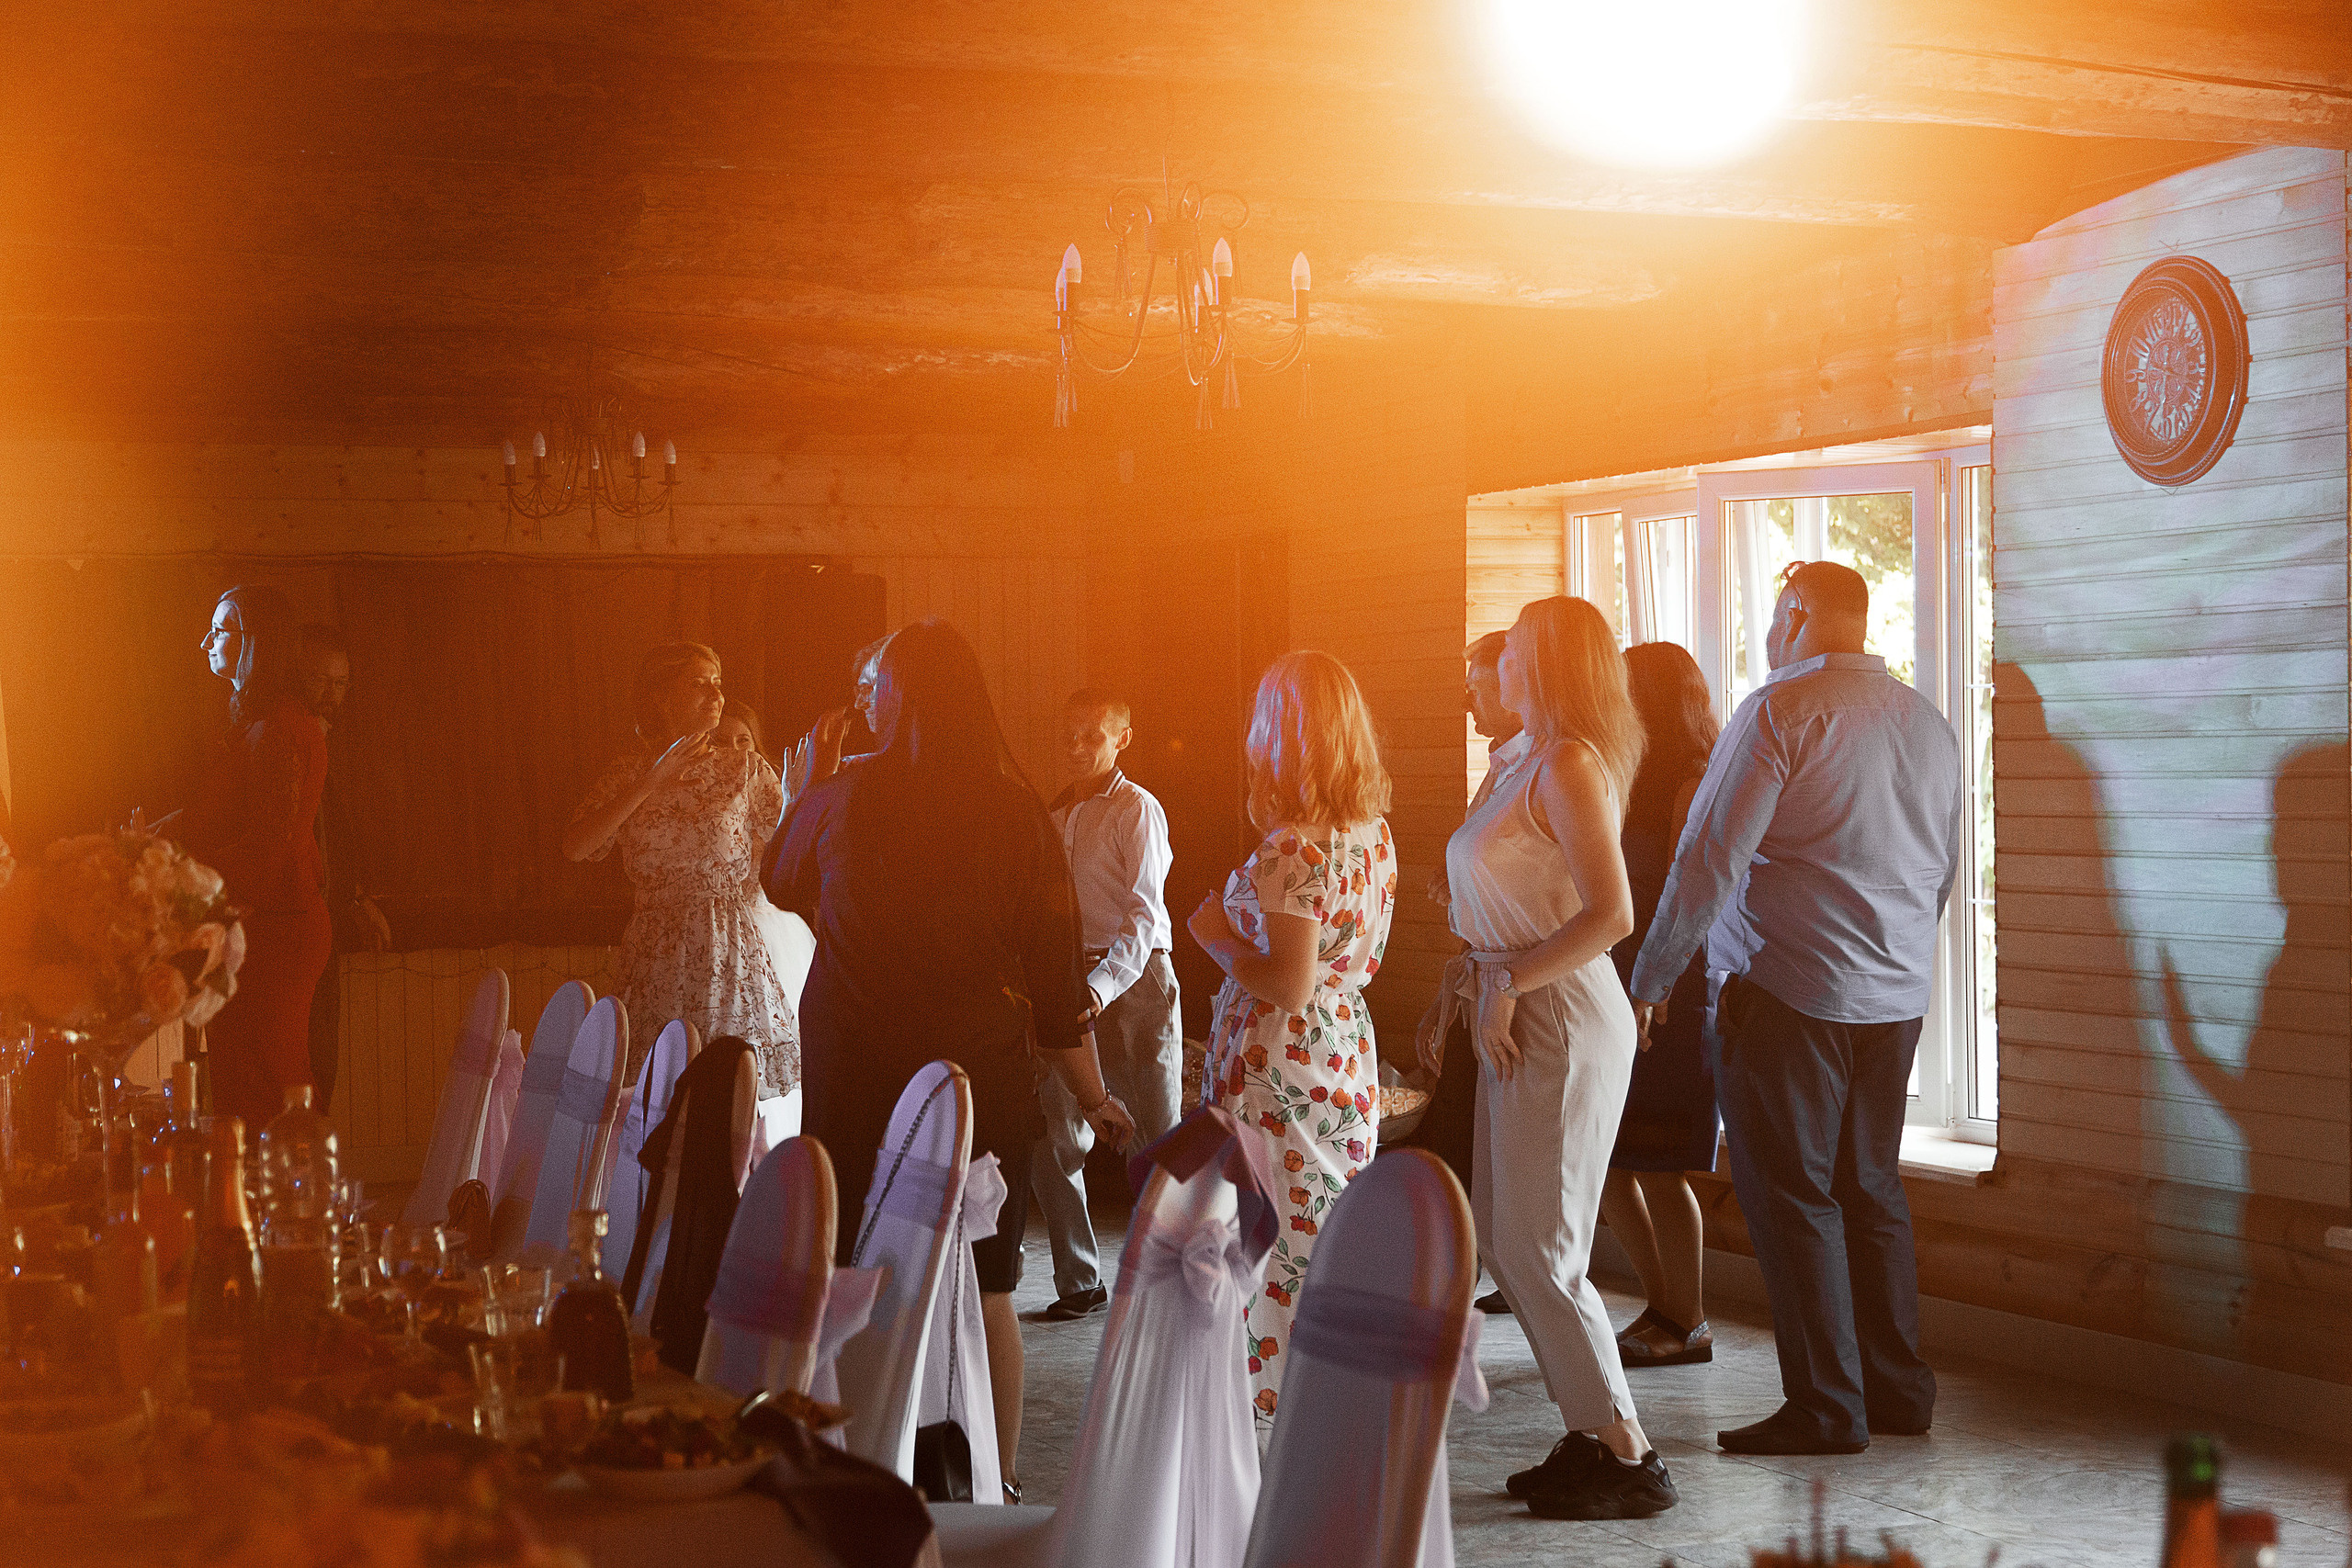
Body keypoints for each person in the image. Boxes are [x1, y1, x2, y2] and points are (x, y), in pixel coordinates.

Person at [764, 618, 1136, 1501]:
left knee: (854, 1272)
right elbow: (1055, 987)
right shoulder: (1018, 816)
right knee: (989, 1286)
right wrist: (1091, 1090)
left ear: (900, 698)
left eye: (877, 686)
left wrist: (812, 807)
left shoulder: (840, 796)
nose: (869, 701)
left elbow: (781, 879)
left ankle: (858, 1477)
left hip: (858, 1066)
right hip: (973, 1081)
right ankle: (992, 1483)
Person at [1628, 560, 1961, 1457]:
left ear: (1798, 613)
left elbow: (1707, 858)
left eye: (1777, 616)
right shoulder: (1928, 722)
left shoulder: (1777, 711)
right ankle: (1897, 1391)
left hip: (1786, 994)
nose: (1771, 635)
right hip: (1894, 995)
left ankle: (1824, 1407)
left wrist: (1652, 978)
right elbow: (1944, 866)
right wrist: (1902, 962)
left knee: (1791, 1199)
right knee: (1872, 1191)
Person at [1435, 596, 1675, 1519]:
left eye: (1516, 655)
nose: (1496, 671)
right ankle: (1588, 1434)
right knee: (1505, 1236)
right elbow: (1495, 901)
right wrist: (1465, 983)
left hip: (1564, 1016)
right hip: (1513, 1004)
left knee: (1544, 1246)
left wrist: (1505, 984)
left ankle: (1628, 1452)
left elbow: (1610, 915)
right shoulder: (1517, 764)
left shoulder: (1571, 763)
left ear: (1549, 667)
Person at [1189, 650, 1396, 1432]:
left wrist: (1213, 935)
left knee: (1270, 1244)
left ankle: (1262, 1424)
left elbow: (1289, 982)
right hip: (1343, 1049)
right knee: (1321, 1231)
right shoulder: (1372, 833)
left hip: (1284, 1056)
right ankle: (1333, 1407)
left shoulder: (1293, 846)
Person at [563, 643, 799, 1097]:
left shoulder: (743, 768)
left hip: (725, 946)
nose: (715, 695)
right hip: (656, 947)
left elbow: (793, 844)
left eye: (718, 684)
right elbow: (576, 847)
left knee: (723, 1090)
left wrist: (814, 783)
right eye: (698, 683)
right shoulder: (627, 772)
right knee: (654, 1094)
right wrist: (651, 780)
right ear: (660, 696)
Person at [1028, 688, 1181, 1323]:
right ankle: (1080, 1279)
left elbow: (1145, 915)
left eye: (1092, 733)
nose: (1076, 745)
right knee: (1054, 1133)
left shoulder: (1138, 809)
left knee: (1155, 1132)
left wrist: (1101, 985)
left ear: (1123, 737)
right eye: (1068, 732)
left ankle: (1169, 1276)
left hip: (1136, 977)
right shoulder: (1053, 815)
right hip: (1069, 978)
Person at [1600, 642, 1721, 1368]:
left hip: (1671, 986)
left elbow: (1691, 898)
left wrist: (1661, 983)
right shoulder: (1626, 775)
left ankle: (1690, 1316)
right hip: (1617, 979)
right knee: (1612, 1160)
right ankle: (1662, 1303)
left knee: (1660, 1161)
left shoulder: (1692, 779)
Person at [180, 585, 334, 1134]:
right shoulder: (254, 723)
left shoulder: (289, 728)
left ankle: (294, 1204)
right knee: (240, 1076)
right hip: (250, 921)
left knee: (274, 1078)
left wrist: (192, 881)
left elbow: (276, 843)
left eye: (220, 630)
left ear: (255, 643)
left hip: (279, 926)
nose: (207, 642)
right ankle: (241, 1203)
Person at [1411, 631, 1525, 1315]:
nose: (1467, 702)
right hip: (1479, 972)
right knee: (1460, 1132)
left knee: (1473, 1139)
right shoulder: (1500, 763)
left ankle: (1489, 1268)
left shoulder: (1545, 767)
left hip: (1515, 982)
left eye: (1479, 685)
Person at [299, 623, 392, 1115]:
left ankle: (311, 1161)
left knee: (323, 1053)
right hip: (288, 913)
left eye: (340, 682)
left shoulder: (346, 748)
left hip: (328, 918)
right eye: (319, 679)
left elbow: (346, 833)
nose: (330, 692)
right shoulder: (285, 741)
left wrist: (355, 898)